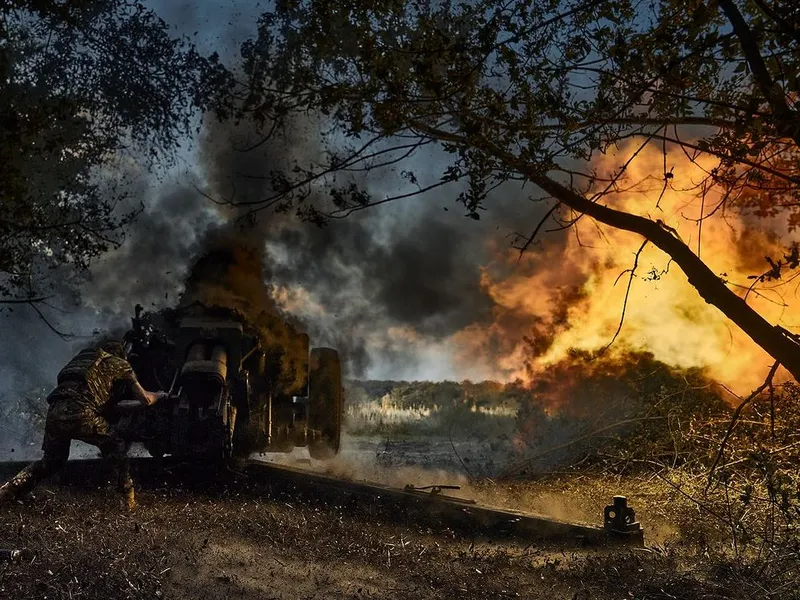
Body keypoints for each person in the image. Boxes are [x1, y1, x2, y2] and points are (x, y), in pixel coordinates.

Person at [0, 341, 166, 510]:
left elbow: (89, 399)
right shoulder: (120, 364)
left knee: (50, 462)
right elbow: (145, 399)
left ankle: (7, 493)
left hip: (55, 411)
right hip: (82, 414)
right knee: (116, 446)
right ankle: (128, 504)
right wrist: (160, 395)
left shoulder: (77, 367)